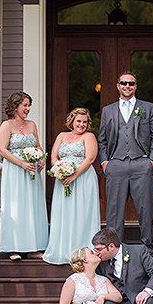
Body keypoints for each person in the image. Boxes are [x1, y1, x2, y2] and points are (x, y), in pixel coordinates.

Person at [98, 71, 153, 250]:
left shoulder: (149, 108)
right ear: (118, 85)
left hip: (142, 163)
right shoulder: (108, 110)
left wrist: (152, 162)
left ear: (136, 86)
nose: (127, 86)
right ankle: (113, 250)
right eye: (124, 83)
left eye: (131, 84)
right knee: (114, 212)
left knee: (145, 209)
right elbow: (102, 139)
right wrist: (105, 163)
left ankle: (147, 247)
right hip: (116, 164)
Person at [43, 108, 102, 265]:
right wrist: (60, 171)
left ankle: (82, 251)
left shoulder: (89, 137)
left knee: (82, 213)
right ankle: (62, 249)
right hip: (63, 181)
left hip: (83, 179)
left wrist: (74, 175)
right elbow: (54, 157)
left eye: (84, 122)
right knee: (65, 213)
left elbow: (89, 159)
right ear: (72, 121)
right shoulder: (62, 136)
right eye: (79, 121)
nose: (81, 124)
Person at [0, 91, 49, 261]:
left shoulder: (32, 125)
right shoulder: (6, 125)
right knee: (16, 207)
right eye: (25, 105)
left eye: (29, 105)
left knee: (32, 206)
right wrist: (21, 163)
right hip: (15, 171)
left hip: (32, 171)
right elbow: (2, 149)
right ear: (15, 106)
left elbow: (38, 146)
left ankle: (33, 247)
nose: (28, 108)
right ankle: (14, 247)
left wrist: (41, 159)